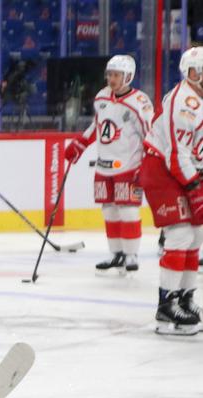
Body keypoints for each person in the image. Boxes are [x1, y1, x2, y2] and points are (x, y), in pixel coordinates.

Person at [65, 55, 154, 275]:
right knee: (109, 211)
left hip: (129, 165)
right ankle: (116, 254)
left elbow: (150, 134)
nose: (112, 79)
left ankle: (131, 254)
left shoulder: (139, 102)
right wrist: (80, 143)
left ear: (128, 77)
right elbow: (97, 124)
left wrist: (147, 164)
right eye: (110, 74)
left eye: (116, 75)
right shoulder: (102, 97)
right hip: (104, 166)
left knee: (129, 210)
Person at [139, 46, 203, 336]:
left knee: (196, 235)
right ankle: (166, 305)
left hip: (182, 169)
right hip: (162, 169)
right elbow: (176, 156)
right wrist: (195, 189)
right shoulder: (185, 103)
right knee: (180, 234)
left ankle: (185, 299)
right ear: (191, 73)